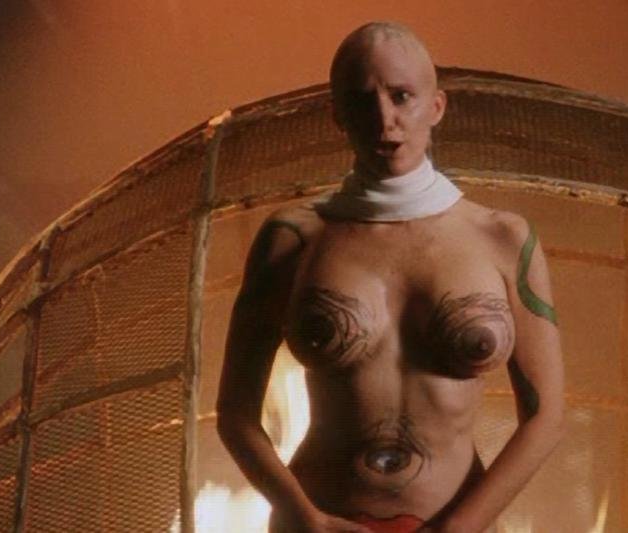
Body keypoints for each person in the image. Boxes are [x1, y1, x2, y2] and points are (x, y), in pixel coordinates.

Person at [216, 21, 565, 533]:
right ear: (338, 116)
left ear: (437, 106)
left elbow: (546, 417)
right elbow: (235, 414)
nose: (385, 120)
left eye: (401, 96)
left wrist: (459, 528)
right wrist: (306, 519)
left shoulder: (502, 239)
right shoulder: (293, 240)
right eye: (362, 101)